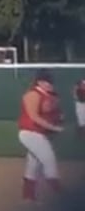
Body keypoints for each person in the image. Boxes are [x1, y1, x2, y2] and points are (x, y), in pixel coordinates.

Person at [18, 69, 64, 201]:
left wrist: (58, 118)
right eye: (46, 81)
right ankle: (57, 189)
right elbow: (34, 117)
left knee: (34, 163)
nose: (49, 84)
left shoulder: (49, 95)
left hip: (39, 133)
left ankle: (28, 194)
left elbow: (54, 113)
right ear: (39, 82)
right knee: (49, 158)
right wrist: (53, 128)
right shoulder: (33, 94)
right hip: (29, 133)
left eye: (50, 82)